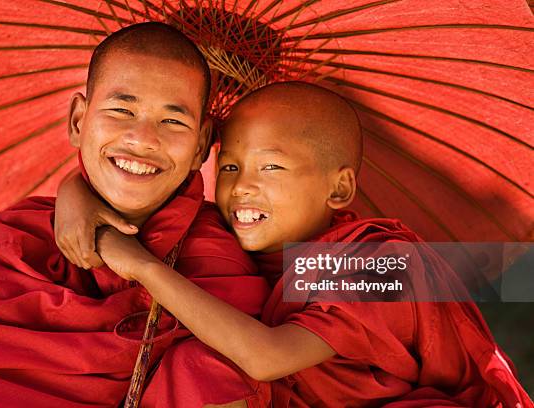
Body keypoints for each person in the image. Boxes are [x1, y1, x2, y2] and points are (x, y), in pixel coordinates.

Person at [58, 81, 532, 407]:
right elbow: (142, 203)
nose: (241, 187)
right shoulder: (230, 241)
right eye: (228, 167)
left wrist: (143, 266)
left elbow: (267, 358)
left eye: (271, 168)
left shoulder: (381, 263)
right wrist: (72, 191)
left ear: (340, 189)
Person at [0, 23, 271, 408]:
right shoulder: (20, 237)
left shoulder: (223, 250)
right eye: (121, 110)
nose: (142, 139)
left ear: (202, 144)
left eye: (172, 121)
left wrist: (140, 265)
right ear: (77, 121)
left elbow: (249, 367)